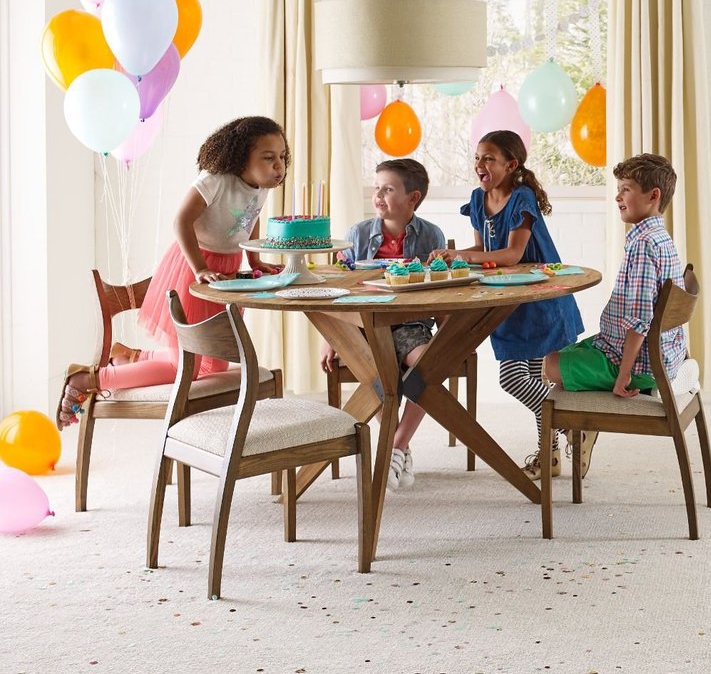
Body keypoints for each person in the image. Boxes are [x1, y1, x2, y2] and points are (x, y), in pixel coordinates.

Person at [57, 115, 289, 430]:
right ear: (241, 159)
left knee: (213, 364)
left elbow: (248, 222)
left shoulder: (260, 187)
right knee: (188, 367)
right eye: (268, 157)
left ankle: (132, 357)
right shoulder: (216, 180)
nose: (279, 166)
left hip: (226, 273)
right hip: (192, 268)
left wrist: (256, 261)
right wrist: (201, 268)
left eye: (282, 158)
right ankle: (90, 377)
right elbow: (181, 221)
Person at [427, 130, 584, 480]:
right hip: (508, 302)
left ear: (511, 164)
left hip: (539, 301)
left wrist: (462, 255)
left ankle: (571, 426)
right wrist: (458, 258)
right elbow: (484, 251)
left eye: (489, 158)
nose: (480, 165)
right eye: (477, 157)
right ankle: (552, 455)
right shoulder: (478, 199)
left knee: (516, 379)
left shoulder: (521, 198)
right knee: (527, 378)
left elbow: (512, 254)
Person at [543, 153, 688, 477]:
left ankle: (575, 428)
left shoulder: (642, 245)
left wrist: (623, 375)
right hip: (649, 352)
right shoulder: (660, 238)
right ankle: (576, 430)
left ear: (653, 196)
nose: (617, 196)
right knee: (566, 352)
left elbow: (639, 319)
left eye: (626, 189)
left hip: (639, 363)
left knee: (550, 365)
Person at [320, 158, 445, 492]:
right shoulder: (358, 234)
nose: (378, 195)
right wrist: (330, 339)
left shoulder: (432, 235)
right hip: (363, 326)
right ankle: (397, 446)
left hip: (410, 325)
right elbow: (339, 287)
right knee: (377, 372)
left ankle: (395, 445)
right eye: (377, 187)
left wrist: (449, 332)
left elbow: (442, 286)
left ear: (412, 198)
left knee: (429, 366)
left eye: (388, 189)